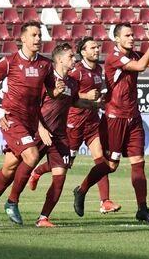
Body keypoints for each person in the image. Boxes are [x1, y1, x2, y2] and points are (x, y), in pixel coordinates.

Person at [71, 20, 149, 224]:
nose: (132, 38)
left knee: (138, 164)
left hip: (134, 118)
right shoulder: (114, 57)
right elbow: (141, 66)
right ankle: (82, 190)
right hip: (114, 118)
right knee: (111, 165)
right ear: (117, 39)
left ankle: (142, 208)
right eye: (127, 35)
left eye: (133, 35)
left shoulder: (134, 55)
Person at [0, 21, 65, 234]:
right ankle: (12, 202)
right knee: (32, 156)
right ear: (23, 38)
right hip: (11, 118)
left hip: (30, 121)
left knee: (9, 168)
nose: (37, 39)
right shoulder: (10, 61)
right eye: (33, 35)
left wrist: (57, 91)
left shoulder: (44, 65)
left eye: (39, 35)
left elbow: (50, 91)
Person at [29, 37, 119, 214]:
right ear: (83, 52)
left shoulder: (98, 69)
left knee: (101, 160)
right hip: (73, 123)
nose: (96, 50)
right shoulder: (76, 72)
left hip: (92, 121)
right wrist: (87, 97)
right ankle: (38, 171)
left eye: (97, 46)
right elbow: (72, 96)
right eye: (92, 47)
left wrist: (98, 103)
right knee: (66, 163)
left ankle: (105, 201)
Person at [25, 42, 98, 227]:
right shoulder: (46, 80)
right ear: (59, 59)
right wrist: (41, 128)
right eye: (71, 57)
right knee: (15, 170)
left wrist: (94, 104)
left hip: (60, 135)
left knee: (60, 177)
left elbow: (74, 102)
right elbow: (32, 105)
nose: (74, 59)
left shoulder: (72, 82)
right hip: (38, 131)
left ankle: (43, 218)